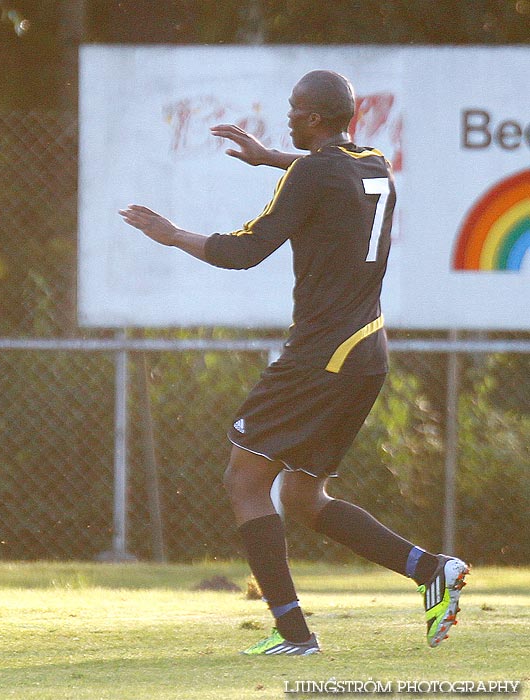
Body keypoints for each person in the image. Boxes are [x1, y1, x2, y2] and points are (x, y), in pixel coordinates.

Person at [119, 70, 468, 655]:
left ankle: (294, 635)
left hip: (319, 357)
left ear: (311, 117)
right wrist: (270, 159)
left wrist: (172, 234)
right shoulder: (372, 161)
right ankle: (430, 570)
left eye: (292, 110)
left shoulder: (313, 171)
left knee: (244, 481)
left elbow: (243, 252)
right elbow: (328, 173)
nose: (285, 118)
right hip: (366, 353)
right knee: (303, 498)